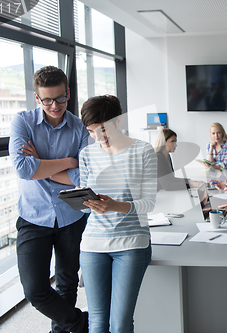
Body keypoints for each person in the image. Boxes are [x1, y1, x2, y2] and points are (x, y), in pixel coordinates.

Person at [9, 66, 89, 333]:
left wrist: (41, 166)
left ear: (68, 93)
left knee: (67, 283)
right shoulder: (22, 122)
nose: (55, 105)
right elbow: (23, 168)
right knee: (35, 289)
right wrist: (68, 162)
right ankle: (80, 323)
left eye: (60, 98)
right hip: (33, 216)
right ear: (37, 98)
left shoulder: (80, 128)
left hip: (71, 214)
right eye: (47, 100)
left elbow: (84, 175)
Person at [79, 95, 157, 333]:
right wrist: (82, 200)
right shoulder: (87, 154)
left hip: (131, 243)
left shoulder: (143, 151)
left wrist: (115, 206)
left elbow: (149, 203)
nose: (98, 137)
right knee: (97, 323)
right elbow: (85, 203)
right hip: (93, 243)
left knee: (120, 324)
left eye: (102, 129)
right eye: (91, 131)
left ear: (118, 121)